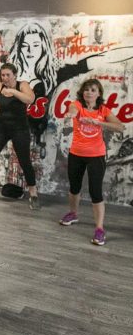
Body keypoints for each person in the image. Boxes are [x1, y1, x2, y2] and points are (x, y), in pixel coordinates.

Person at [59, 79, 124, 245]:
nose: (89, 92)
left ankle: (99, 229)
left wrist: (99, 122)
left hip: (96, 156)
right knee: (74, 188)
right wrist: (72, 114)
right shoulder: (77, 105)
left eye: (93, 90)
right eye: (86, 89)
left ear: (99, 93)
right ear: (83, 92)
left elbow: (120, 127)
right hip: (76, 154)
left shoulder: (103, 110)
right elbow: (73, 109)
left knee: (96, 193)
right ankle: (73, 214)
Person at [0, 63, 41, 210]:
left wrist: (13, 91)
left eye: (8, 75)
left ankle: (33, 193)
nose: (5, 78)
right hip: (2, 128)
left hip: (20, 129)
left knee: (25, 162)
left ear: (14, 75)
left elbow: (30, 99)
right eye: (3, 75)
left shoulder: (22, 85)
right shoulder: (0, 86)